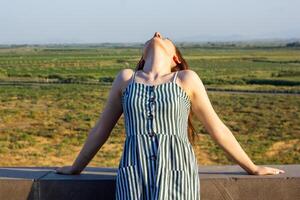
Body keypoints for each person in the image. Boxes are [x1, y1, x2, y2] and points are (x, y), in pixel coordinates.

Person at [55, 32, 285, 199]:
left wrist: (252, 168)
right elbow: (100, 130)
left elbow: (218, 129)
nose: (157, 34)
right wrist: (76, 167)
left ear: (175, 58)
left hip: (178, 173)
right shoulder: (126, 79)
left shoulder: (186, 79)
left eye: (165, 38)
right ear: (142, 58)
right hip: (134, 173)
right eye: (153, 37)